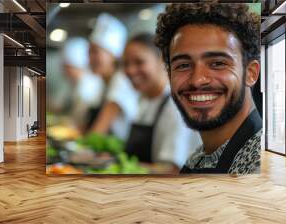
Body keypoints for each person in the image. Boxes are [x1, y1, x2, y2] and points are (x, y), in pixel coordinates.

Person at [154, 3, 262, 174]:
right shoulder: (198, 158)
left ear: (250, 73)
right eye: (183, 65)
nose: (197, 80)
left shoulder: (256, 163)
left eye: (218, 63)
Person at [123, 33, 201, 169]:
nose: (130, 70)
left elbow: (171, 170)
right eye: (126, 63)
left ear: (161, 60)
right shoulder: (145, 100)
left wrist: (116, 168)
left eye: (139, 62)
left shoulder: (174, 106)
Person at [87, 13, 139, 141]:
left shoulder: (121, 82)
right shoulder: (104, 82)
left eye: (96, 52)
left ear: (113, 55)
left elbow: (97, 133)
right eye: (89, 52)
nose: (90, 58)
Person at [61, 37, 104, 129]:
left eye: (67, 67)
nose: (64, 71)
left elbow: (83, 120)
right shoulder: (75, 84)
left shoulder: (88, 87)